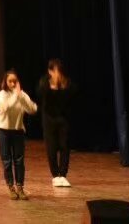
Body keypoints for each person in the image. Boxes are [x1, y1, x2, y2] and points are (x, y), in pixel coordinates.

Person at [0, 69, 38, 200]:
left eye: (15, 81)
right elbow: (5, 108)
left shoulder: (22, 95)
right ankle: (11, 187)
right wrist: (16, 95)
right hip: (3, 131)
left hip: (18, 131)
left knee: (19, 160)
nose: (13, 84)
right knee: (7, 160)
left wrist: (21, 97)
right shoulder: (1, 95)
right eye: (10, 81)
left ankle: (20, 187)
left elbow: (33, 109)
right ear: (5, 82)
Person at [38, 59, 73, 187]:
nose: (58, 74)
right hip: (49, 119)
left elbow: (72, 98)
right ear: (50, 71)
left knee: (65, 146)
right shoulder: (44, 82)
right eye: (55, 71)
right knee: (51, 147)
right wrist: (52, 86)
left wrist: (62, 86)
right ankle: (55, 175)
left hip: (63, 119)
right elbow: (41, 95)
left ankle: (63, 175)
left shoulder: (67, 83)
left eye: (59, 71)